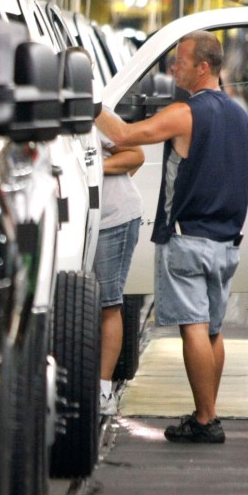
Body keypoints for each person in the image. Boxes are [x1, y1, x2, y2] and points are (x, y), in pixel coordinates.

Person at [95, 30, 248, 444]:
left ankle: (206, 418)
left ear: (203, 67)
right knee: (213, 330)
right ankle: (207, 414)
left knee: (194, 328)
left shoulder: (187, 112)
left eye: (179, 61)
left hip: (187, 238)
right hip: (227, 240)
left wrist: (88, 102)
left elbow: (126, 137)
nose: (172, 68)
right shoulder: (241, 116)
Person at [95, 133, 144, 417]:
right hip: (83, 218)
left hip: (114, 218)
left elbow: (136, 155)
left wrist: (91, 168)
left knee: (108, 302)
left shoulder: (98, 112)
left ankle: (104, 391)